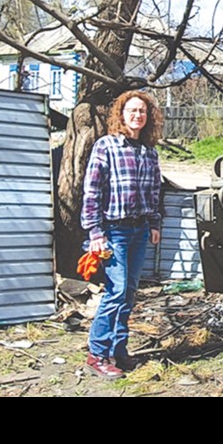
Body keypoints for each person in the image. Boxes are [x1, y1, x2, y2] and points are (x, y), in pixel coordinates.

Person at [80, 90, 163, 379]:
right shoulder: (106, 146)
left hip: (140, 230)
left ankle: (118, 350)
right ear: (121, 114)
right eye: (132, 110)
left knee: (128, 293)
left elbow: (154, 193)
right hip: (113, 231)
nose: (137, 115)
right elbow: (92, 191)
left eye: (142, 111)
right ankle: (96, 355)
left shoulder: (149, 151)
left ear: (148, 117)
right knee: (115, 293)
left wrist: (154, 224)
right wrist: (95, 232)